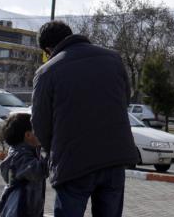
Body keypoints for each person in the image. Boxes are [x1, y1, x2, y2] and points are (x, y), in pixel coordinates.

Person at [32, 21, 138, 217]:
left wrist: (54, 150)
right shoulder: (113, 59)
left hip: (73, 163)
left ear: (48, 49)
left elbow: (39, 124)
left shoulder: (47, 72)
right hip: (114, 158)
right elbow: (124, 101)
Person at [0, 113, 48, 217]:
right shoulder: (19, 156)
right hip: (18, 210)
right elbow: (37, 171)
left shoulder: (30, 152)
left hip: (30, 209)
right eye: (38, 129)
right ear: (28, 135)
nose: (42, 132)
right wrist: (52, 153)